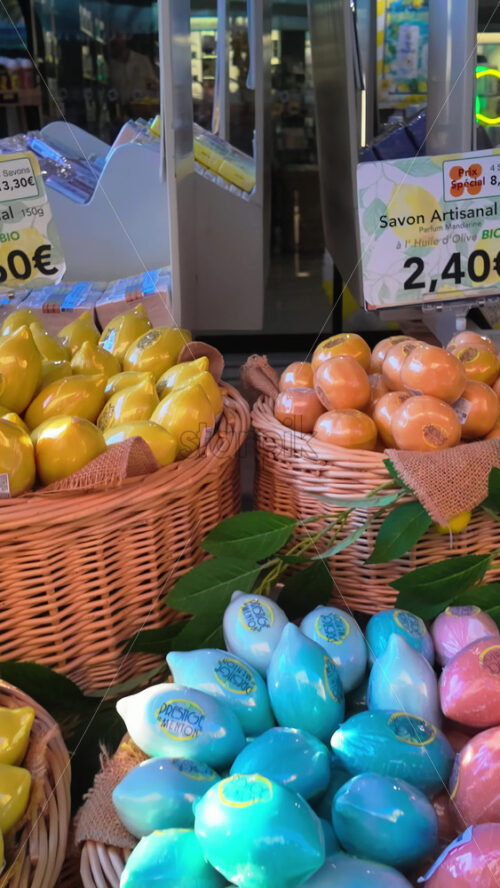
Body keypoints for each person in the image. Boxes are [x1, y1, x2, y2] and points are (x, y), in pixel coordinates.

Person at [108, 33, 158, 112]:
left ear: (125, 39)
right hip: (123, 115)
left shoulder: (142, 61)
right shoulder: (111, 67)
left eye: (118, 36)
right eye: (111, 37)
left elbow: (154, 86)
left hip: (143, 114)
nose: (114, 40)